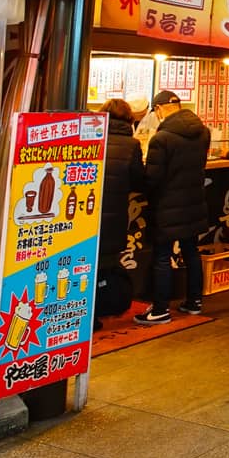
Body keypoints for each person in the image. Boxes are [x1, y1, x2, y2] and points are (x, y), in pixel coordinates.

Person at [136, 90, 210, 325]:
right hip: (193, 202)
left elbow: (153, 178)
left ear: (158, 110)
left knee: (162, 256)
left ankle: (159, 310)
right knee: (191, 251)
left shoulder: (162, 138)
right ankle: (194, 302)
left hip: (167, 206)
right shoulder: (203, 132)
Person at [95, 99, 145, 324]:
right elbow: (138, 181)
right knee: (106, 264)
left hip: (87, 210)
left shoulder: (91, 138)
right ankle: (103, 307)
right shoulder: (131, 145)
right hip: (114, 214)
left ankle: (85, 313)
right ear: (129, 118)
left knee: (86, 262)